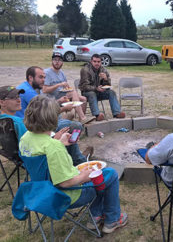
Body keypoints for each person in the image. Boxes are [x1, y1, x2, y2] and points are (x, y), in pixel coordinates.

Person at [19, 95, 127, 234]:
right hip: (66, 195)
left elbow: (43, 159)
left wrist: (58, 142)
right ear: (52, 118)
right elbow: (65, 183)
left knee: (97, 175)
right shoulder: (53, 147)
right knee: (108, 174)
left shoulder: (25, 139)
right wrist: (85, 175)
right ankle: (112, 220)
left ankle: (96, 216)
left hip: (39, 190)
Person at [16, 67, 92, 165]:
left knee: (67, 125)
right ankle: (77, 160)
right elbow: (45, 114)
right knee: (75, 126)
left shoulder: (25, 87)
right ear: (30, 78)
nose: (43, 80)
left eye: (44, 77)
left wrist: (59, 101)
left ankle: (75, 156)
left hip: (33, 125)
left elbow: (43, 109)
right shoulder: (29, 93)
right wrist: (64, 108)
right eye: (40, 77)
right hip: (36, 128)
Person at [43, 52, 87, 122]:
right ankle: (83, 118)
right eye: (55, 60)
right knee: (73, 92)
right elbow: (44, 90)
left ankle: (81, 121)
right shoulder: (47, 72)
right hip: (52, 99)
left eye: (59, 60)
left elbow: (65, 88)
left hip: (62, 96)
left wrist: (67, 88)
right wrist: (59, 85)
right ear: (52, 61)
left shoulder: (61, 73)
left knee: (83, 99)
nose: (57, 62)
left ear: (62, 62)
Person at [79, 54, 125, 121]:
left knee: (111, 92)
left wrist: (105, 79)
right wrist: (96, 88)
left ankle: (117, 113)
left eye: (98, 62)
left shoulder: (103, 69)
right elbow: (84, 86)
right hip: (87, 93)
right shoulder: (85, 70)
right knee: (92, 94)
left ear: (101, 62)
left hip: (99, 92)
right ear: (91, 61)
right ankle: (97, 115)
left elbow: (108, 85)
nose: (97, 63)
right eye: (95, 61)